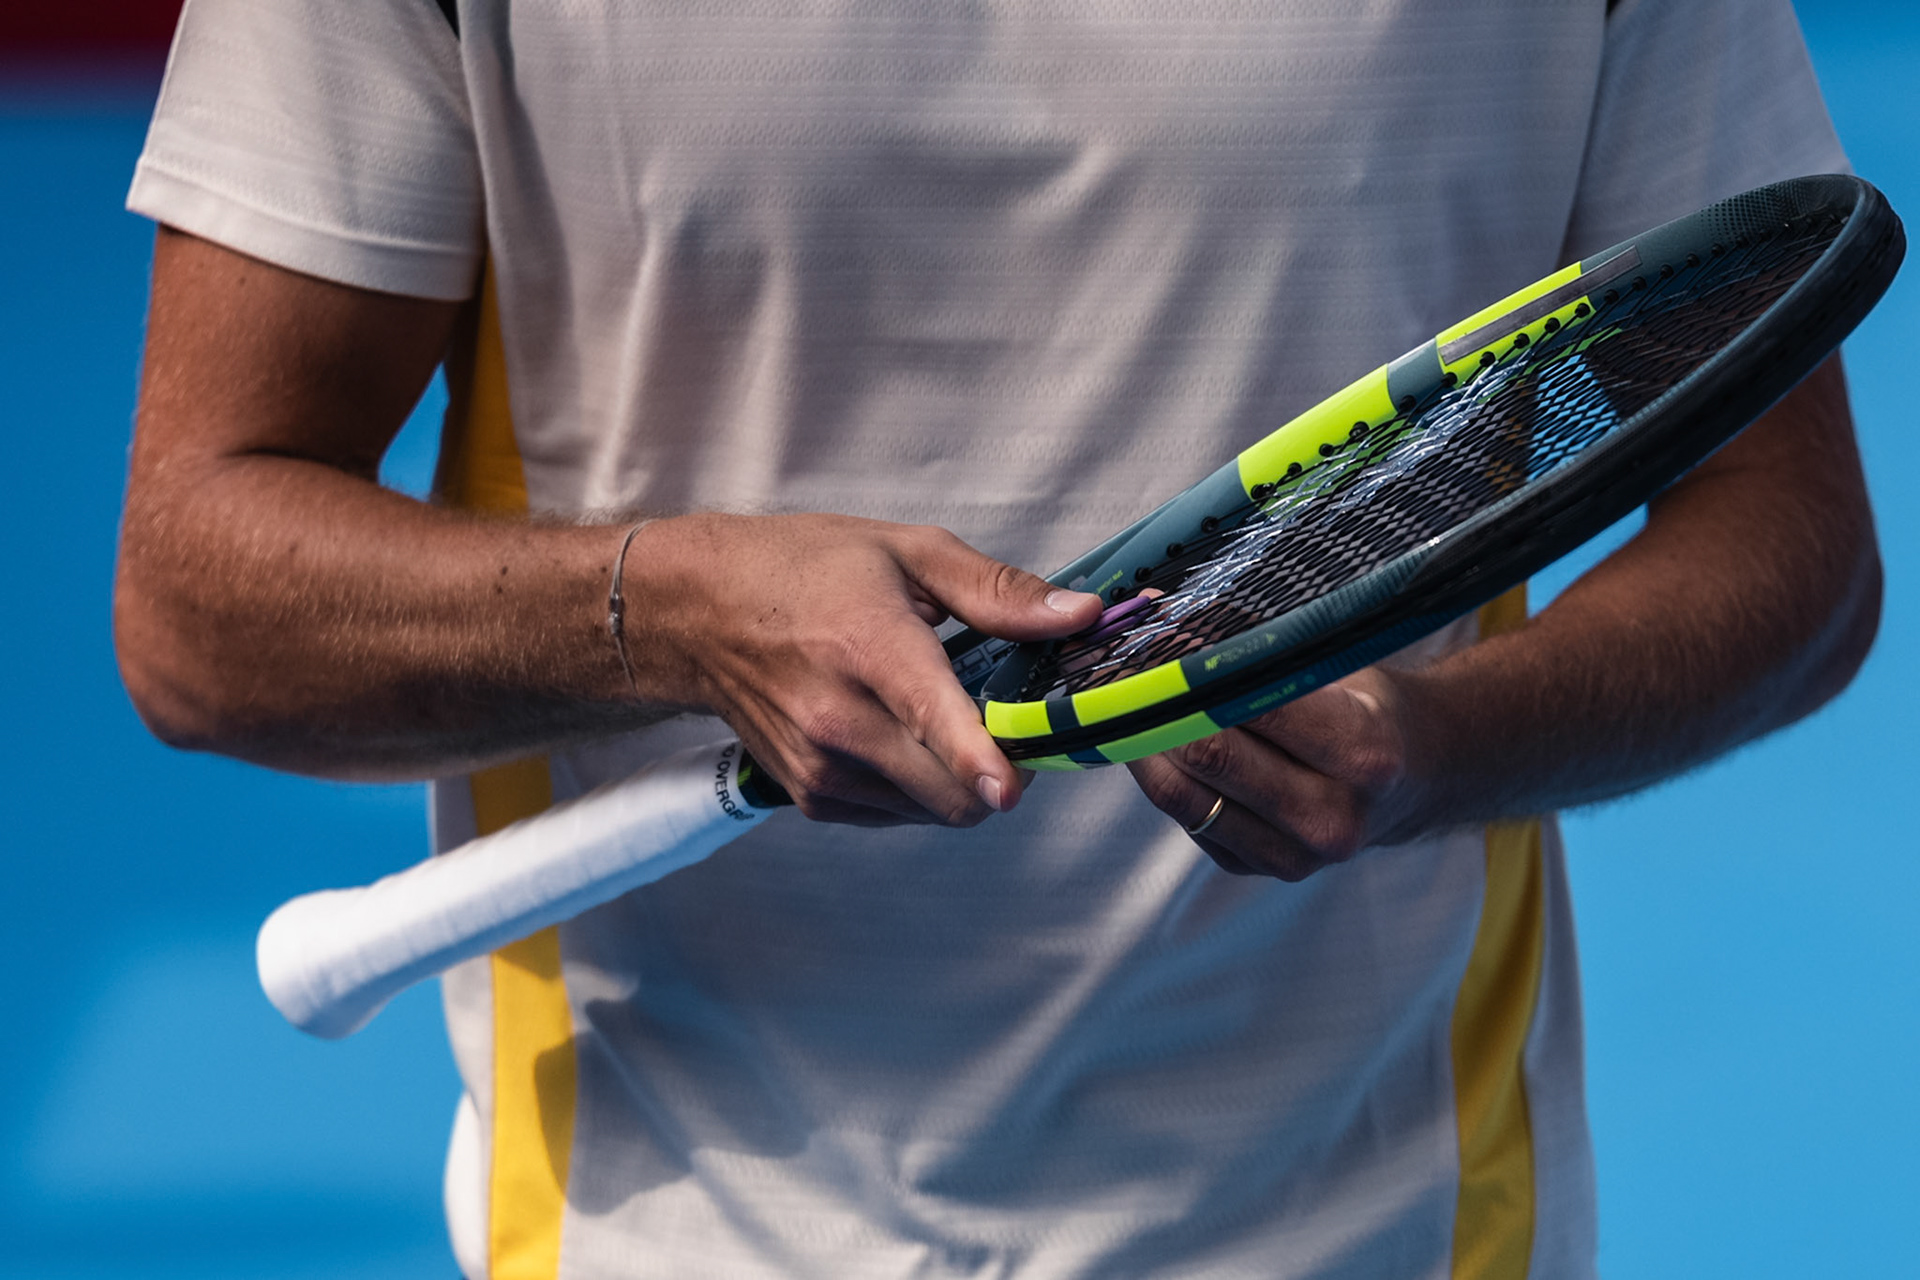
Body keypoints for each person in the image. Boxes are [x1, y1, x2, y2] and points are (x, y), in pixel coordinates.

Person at [115, 0, 1877, 1275]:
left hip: (1395, 1230)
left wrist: (1444, 747)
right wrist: (671, 611)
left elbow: (1791, 541)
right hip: (652, 1231)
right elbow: (197, 606)